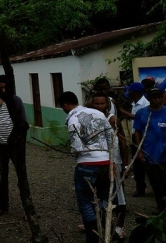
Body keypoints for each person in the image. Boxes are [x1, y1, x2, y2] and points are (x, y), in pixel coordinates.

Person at [58, 91, 113, 243]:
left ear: (65, 105)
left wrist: (77, 154)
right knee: (103, 199)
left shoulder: (73, 119)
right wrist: (110, 159)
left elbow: (76, 147)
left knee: (86, 202)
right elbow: (110, 137)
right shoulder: (98, 114)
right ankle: (106, 231)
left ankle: (93, 237)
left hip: (87, 164)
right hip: (105, 162)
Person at [133, 88, 166, 212]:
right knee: (156, 183)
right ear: (149, 98)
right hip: (149, 154)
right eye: (154, 97)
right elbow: (137, 132)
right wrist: (140, 151)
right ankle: (160, 208)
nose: (157, 100)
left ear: (162, 98)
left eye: (159, 97)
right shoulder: (141, 113)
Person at [0, 75, 27, 217]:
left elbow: (23, 122)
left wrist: (19, 140)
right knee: (3, 176)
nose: (3, 88)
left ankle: (28, 210)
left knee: (21, 175)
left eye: (5, 85)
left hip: (15, 145)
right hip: (0, 145)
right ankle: (3, 207)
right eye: (0, 86)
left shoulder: (16, 100)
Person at [91, 93, 128, 239]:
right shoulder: (91, 119)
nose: (99, 106)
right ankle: (106, 227)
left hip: (114, 162)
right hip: (99, 162)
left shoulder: (112, 120)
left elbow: (123, 142)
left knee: (118, 196)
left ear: (107, 105)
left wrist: (125, 164)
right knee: (102, 196)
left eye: (102, 104)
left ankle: (119, 228)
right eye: (96, 104)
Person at [120, 82, 149, 197]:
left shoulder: (144, 104)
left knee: (144, 163)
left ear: (135, 92)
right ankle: (140, 188)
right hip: (135, 136)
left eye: (130, 91)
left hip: (143, 137)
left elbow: (138, 118)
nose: (128, 93)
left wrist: (122, 111)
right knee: (137, 165)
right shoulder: (134, 103)